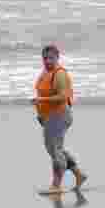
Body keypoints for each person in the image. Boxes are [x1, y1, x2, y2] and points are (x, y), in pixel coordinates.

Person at [32, 44, 87, 194]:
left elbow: (62, 96)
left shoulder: (60, 74)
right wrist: (41, 114)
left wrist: (41, 100)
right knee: (57, 149)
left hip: (60, 115)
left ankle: (56, 186)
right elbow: (42, 96)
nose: (47, 61)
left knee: (55, 150)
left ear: (57, 57)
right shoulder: (45, 72)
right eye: (45, 58)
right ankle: (79, 175)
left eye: (51, 58)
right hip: (49, 117)